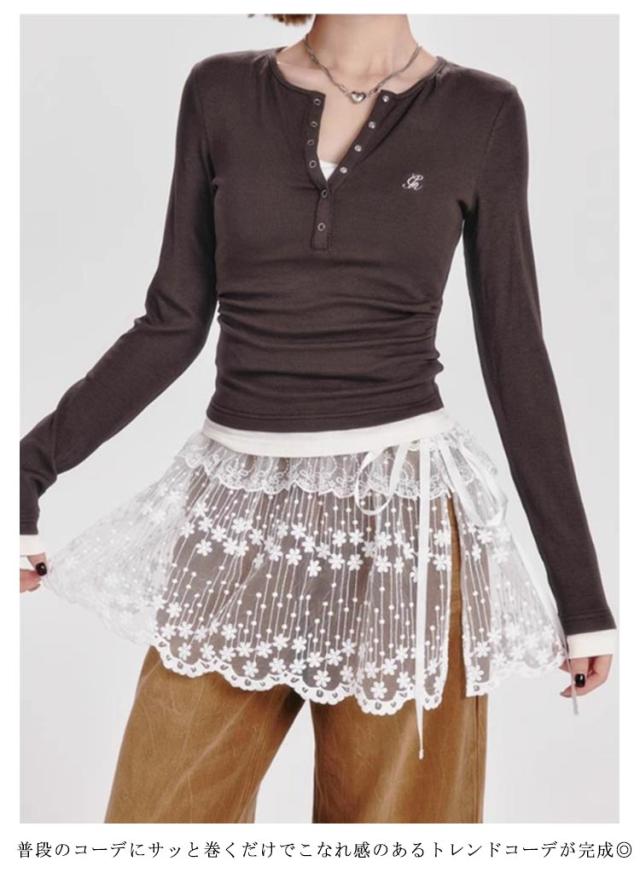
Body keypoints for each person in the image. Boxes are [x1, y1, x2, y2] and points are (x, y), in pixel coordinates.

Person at [20, 13, 617, 823]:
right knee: (154, 830)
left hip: (405, 527)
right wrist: (25, 472)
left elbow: (515, 350)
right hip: (238, 521)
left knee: (398, 852)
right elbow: (173, 321)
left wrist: (582, 601)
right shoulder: (220, 91)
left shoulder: (483, 111)